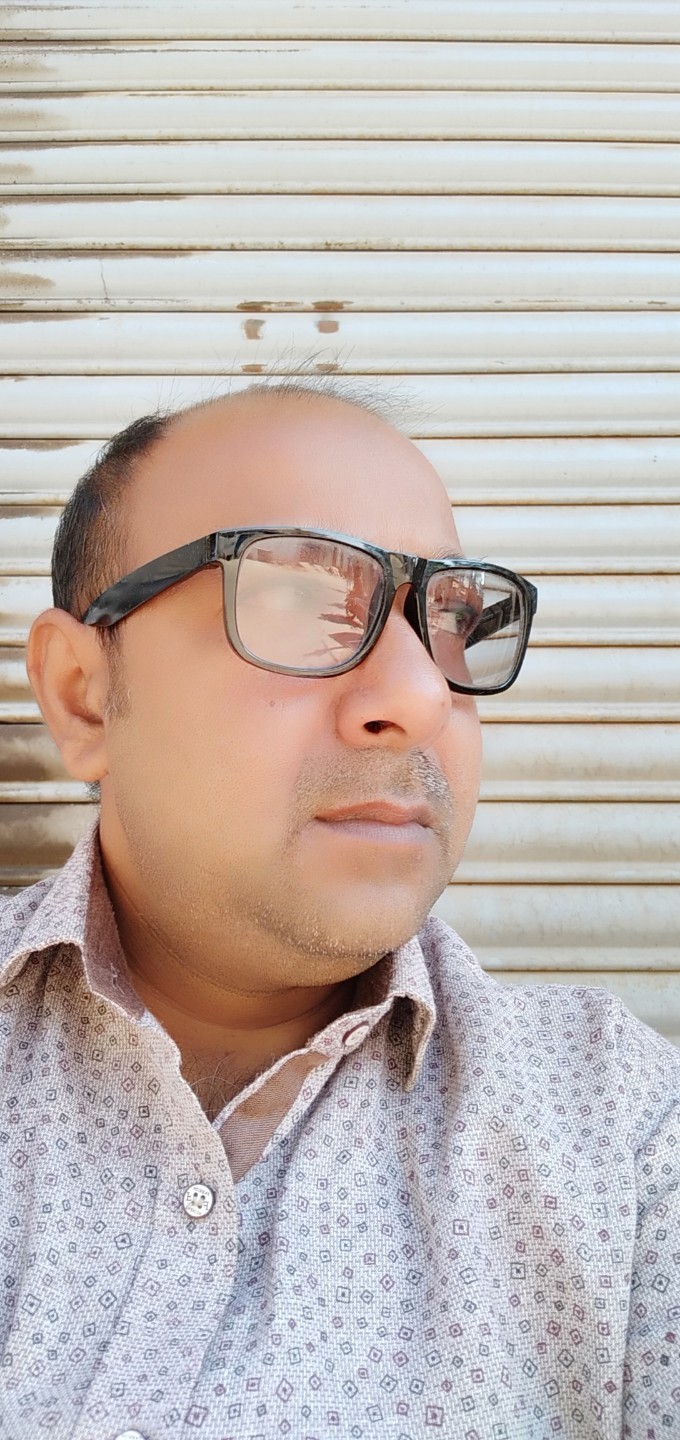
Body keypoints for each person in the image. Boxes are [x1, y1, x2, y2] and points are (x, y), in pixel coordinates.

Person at [1, 382, 677, 1440]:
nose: (419, 696)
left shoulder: (620, 1135)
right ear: (85, 693)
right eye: (298, 601)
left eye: (451, 620)